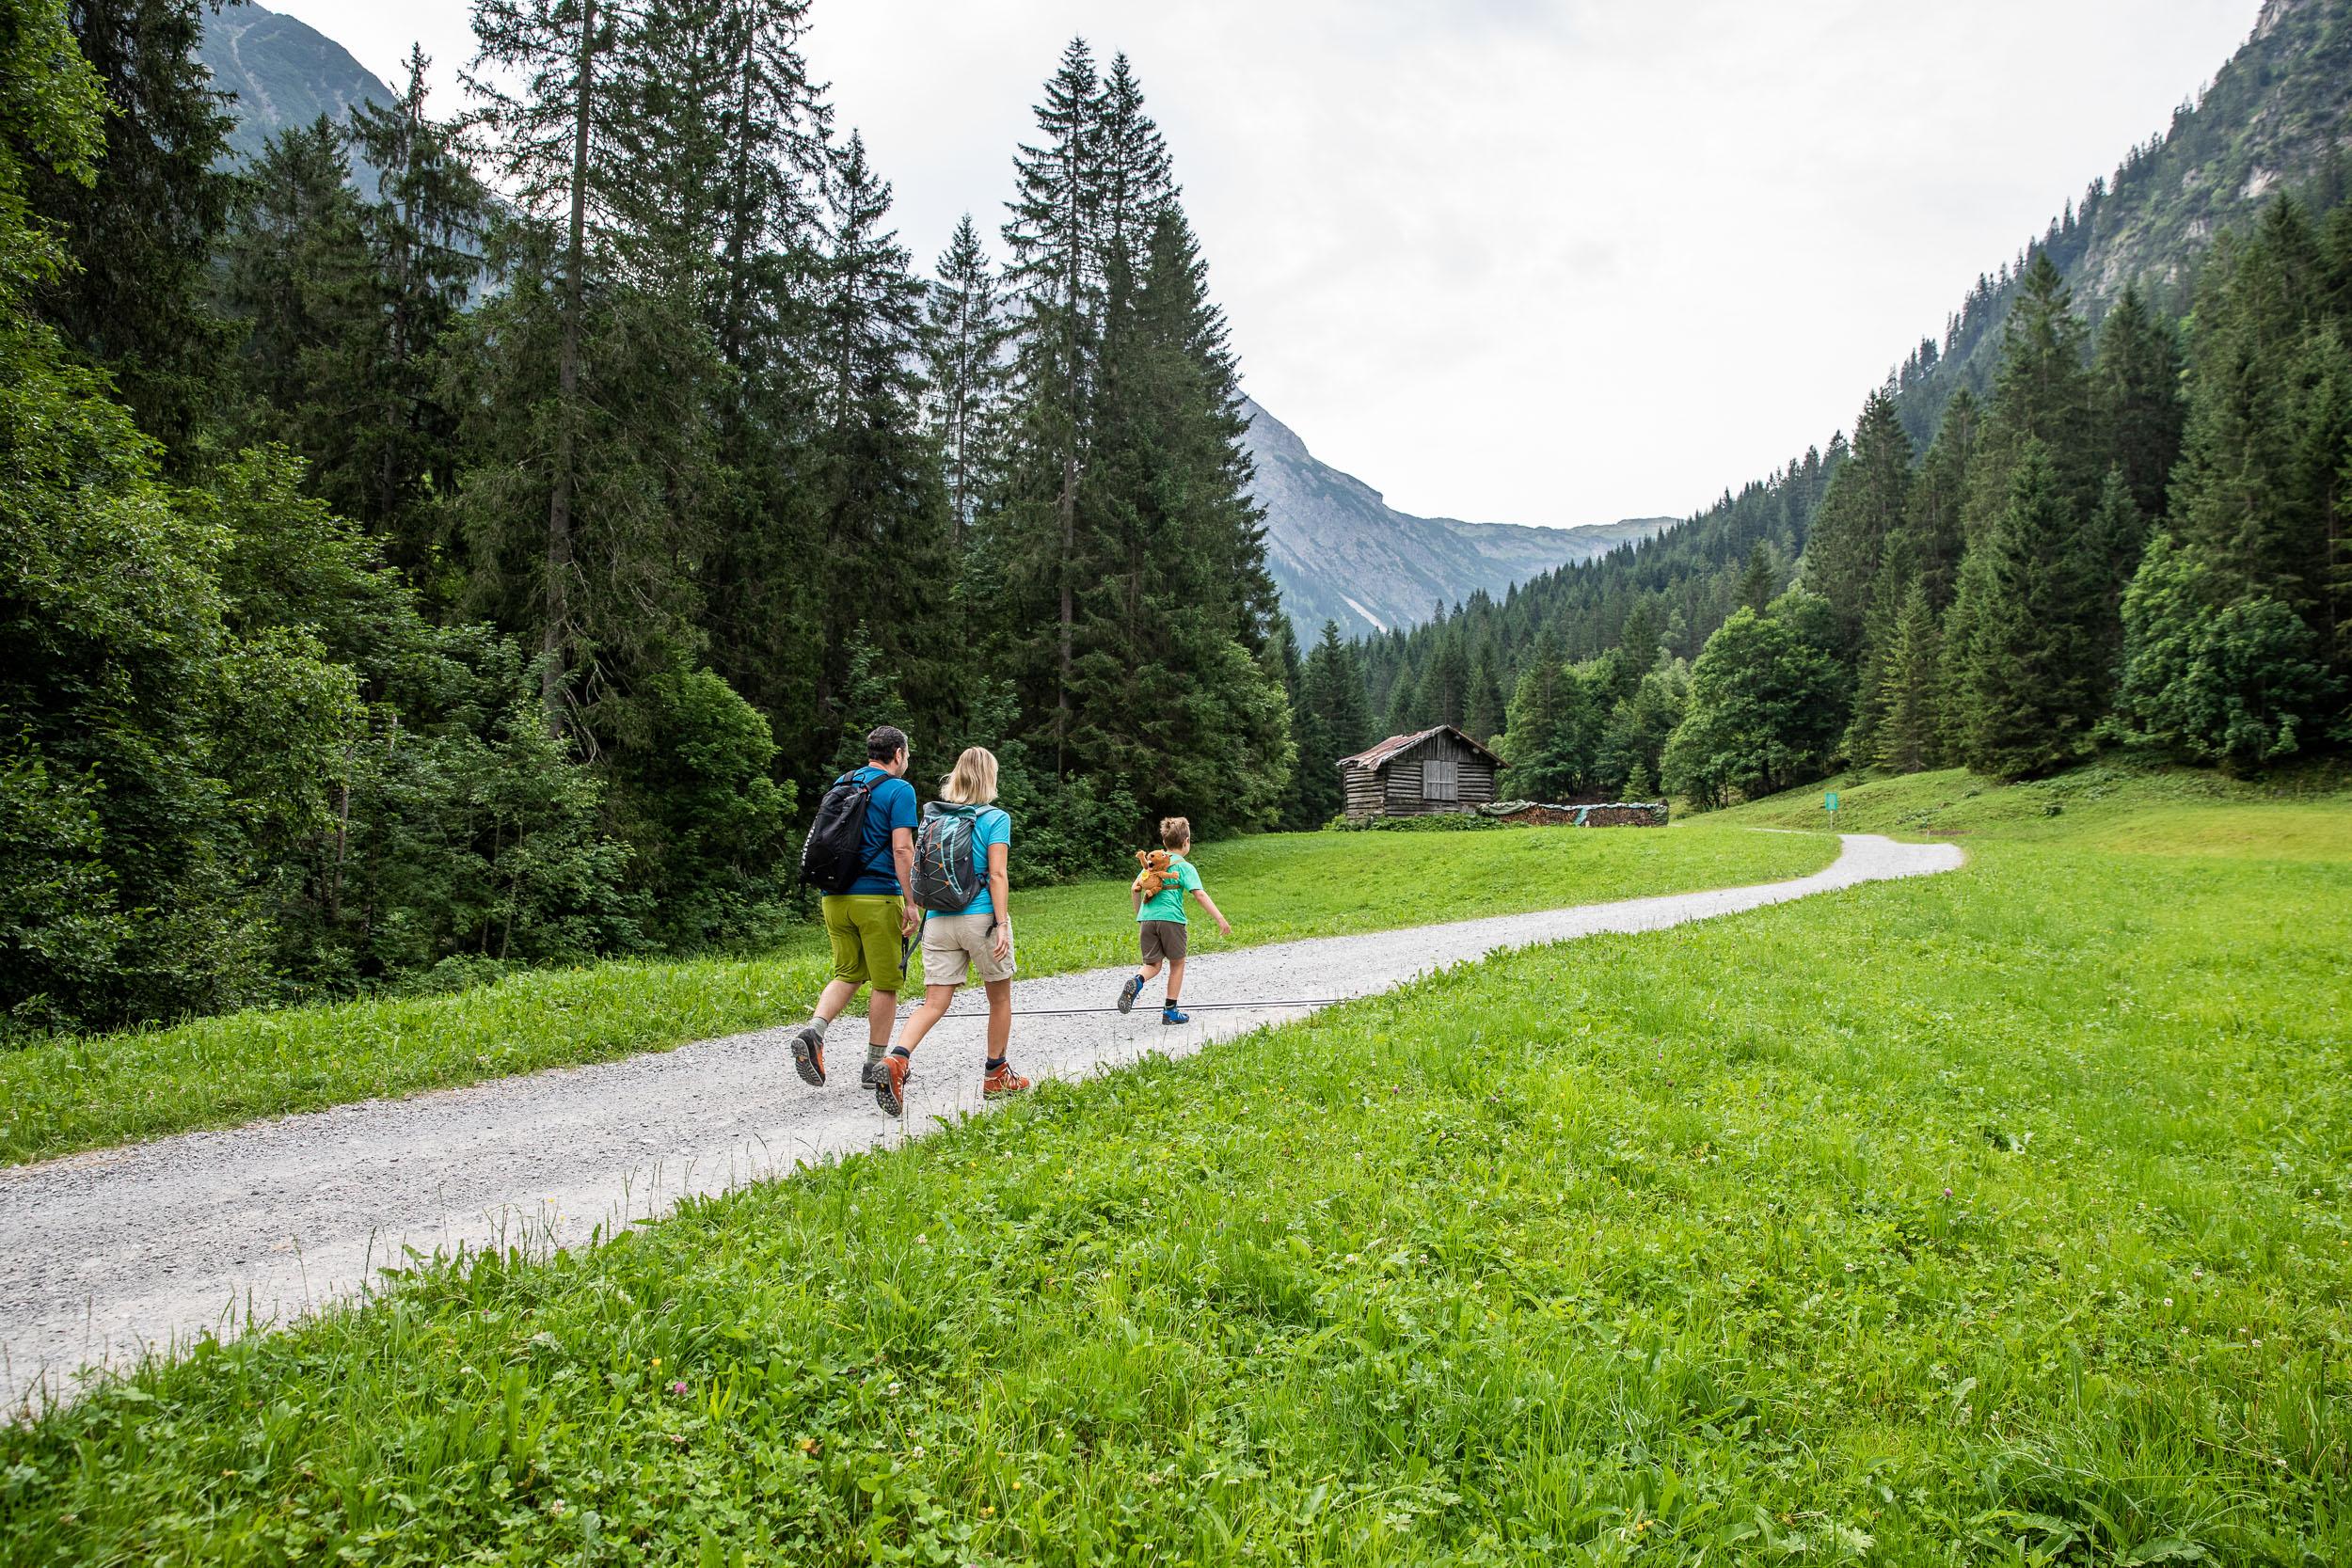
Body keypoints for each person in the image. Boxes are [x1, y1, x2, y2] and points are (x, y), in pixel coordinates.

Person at [873, 746, 1027, 1117]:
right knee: (1000, 998)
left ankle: (896, 1060)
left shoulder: (933, 817)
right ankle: (996, 1075)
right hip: (980, 918)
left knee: (934, 1003)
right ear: (990, 777)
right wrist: (1002, 923)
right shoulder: (995, 818)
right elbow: (997, 874)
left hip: (938, 920)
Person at [790, 726, 920, 1089]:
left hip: (834, 896)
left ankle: (815, 1032)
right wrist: (911, 902)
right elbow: (902, 849)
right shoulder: (899, 790)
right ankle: (874, 1066)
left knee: (847, 972)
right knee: (886, 982)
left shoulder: (842, 782)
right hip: (877, 897)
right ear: (897, 753)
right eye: (906, 754)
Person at [1116, 816, 1231, 1024]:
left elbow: (1134, 888)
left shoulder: (1150, 865)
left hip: (1147, 919)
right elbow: (1200, 895)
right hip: (1172, 920)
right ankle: (1170, 1011)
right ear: (1186, 841)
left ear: (1164, 843)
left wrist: (1139, 916)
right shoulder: (1184, 867)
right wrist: (1221, 919)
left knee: (1152, 964)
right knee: (1177, 963)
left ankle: (1136, 981)